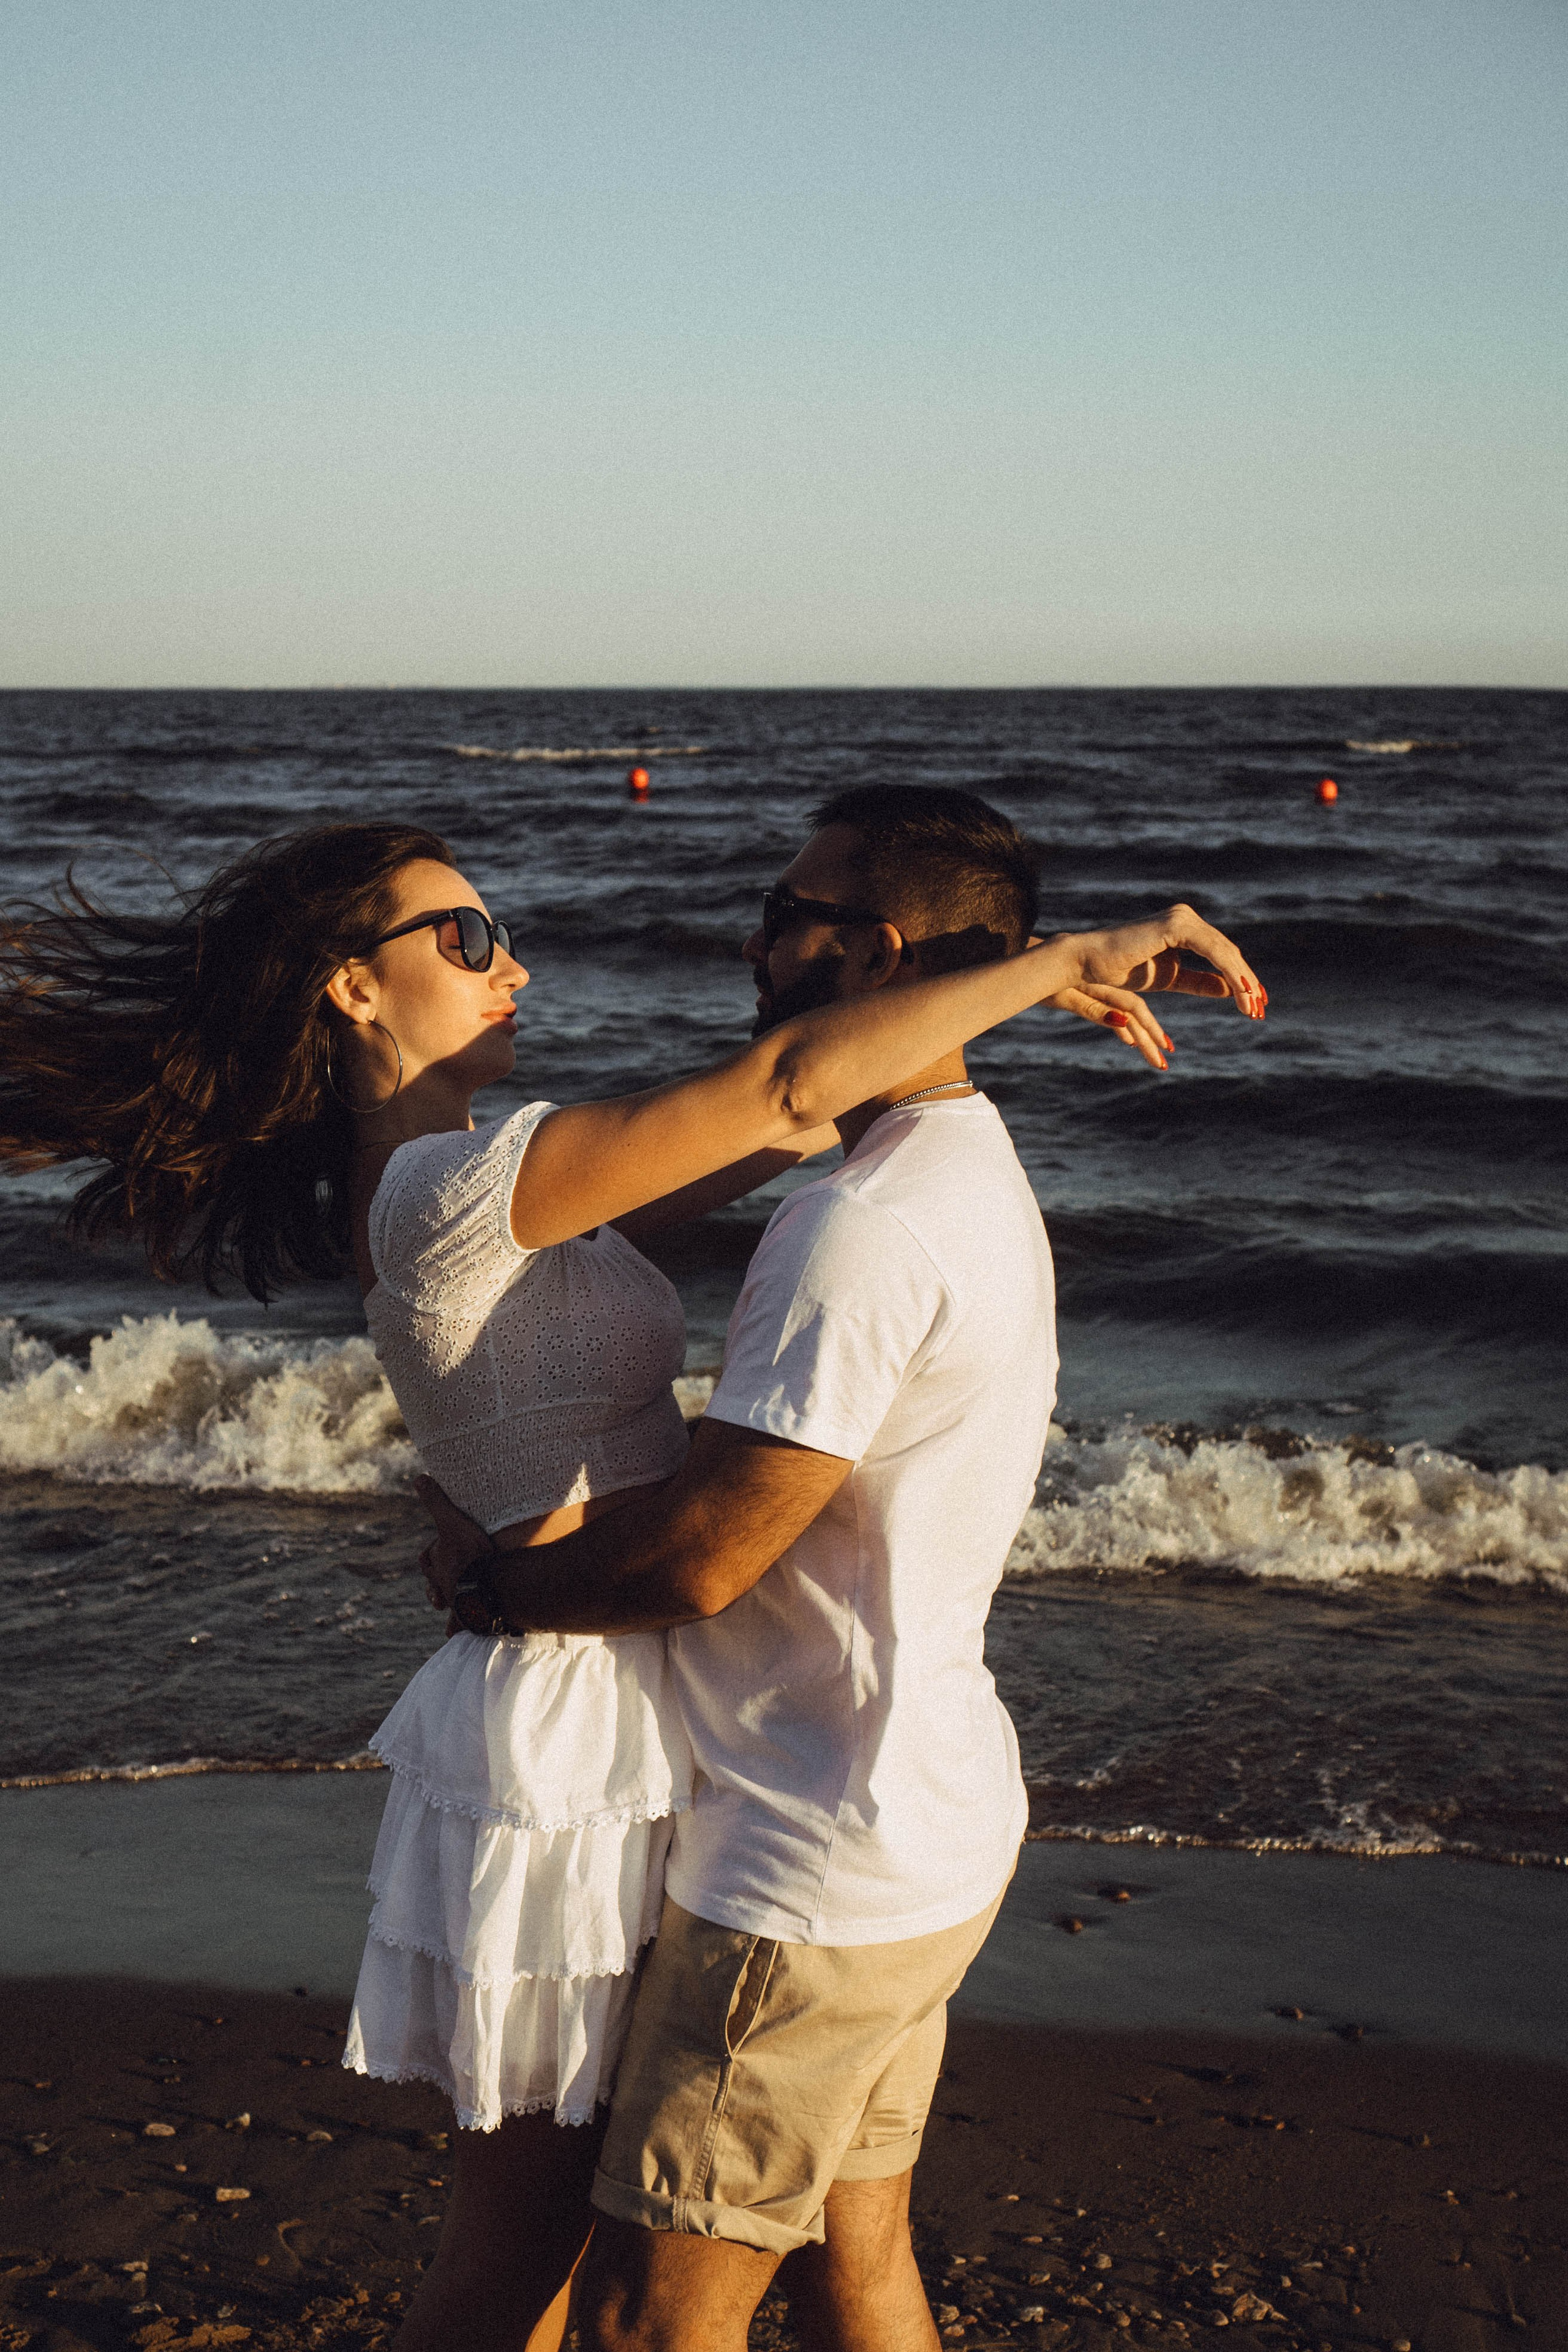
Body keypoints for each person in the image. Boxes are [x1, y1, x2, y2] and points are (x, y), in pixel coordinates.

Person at [0, 810, 1260, 2352]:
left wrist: (983, 985)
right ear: (349, 987)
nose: (509, 961)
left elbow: (796, 1120)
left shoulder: (500, 1189)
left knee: (633, 2242)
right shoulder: (448, 1196)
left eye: (500, 928)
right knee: (514, 2256)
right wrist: (1064, 955)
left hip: (635, 1693)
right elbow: (787, 1086)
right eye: (461, 939)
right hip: (564, 1724)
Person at [418, 784, 1266, 2352]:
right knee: (851, 2263)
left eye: (785, 912)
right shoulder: (963, 1164)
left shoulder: (858, 1224)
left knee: (643, 2320)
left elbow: (705, 1558)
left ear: (872, 953)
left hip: (802, 1867)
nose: (753, 936)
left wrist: (496, 1589)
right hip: (925, 1825)